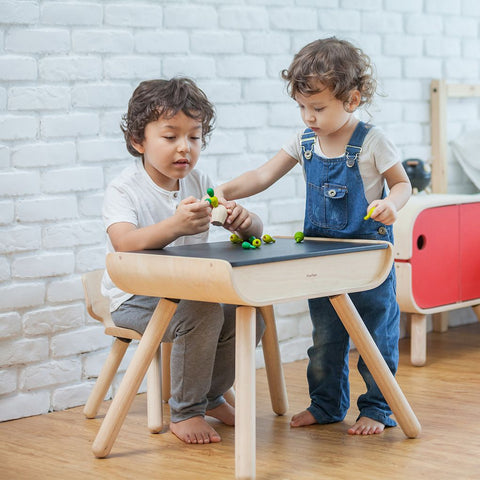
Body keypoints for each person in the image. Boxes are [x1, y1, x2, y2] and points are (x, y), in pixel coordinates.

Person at [216, 37, 411, 436]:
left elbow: (403, 184)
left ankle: (377, 408)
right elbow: (262, 175)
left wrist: (392, 203)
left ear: (352, 100)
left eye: (318, 108)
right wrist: (224, 191)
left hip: (368, 259)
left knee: (376, 336)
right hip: (321, 262)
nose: (309, 117)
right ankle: (326, 405)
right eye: (303, 107)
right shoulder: (305, 142)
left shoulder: (372, 141)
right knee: (325, 341)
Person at [101, 77, 264, 444]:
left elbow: (252, 233)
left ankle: (210, 396)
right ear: (137, 140)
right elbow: (124, 243)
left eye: (194, 137)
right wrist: (174, 226)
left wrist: (244, 222)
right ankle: (186, 411)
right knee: (202, 313)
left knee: (246, 316)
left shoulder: (199, 181)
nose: (184, 148)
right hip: (134, 297)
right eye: (170, 136)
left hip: (189, 293)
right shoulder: (124, 188)